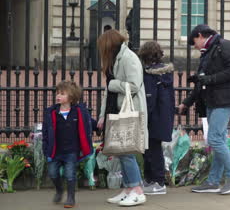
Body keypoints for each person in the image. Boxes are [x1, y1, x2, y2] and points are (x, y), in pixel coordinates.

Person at [178, 24, 230, 195]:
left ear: (200, 35)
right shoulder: (208, 52)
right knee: (218, 140)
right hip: (213, 101)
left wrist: (209, 78)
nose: (195, 47)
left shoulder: (225, 45)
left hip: (225, 100)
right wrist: (187, 102)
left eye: (194, 42)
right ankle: (213, 181)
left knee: (215, 139)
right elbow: (202, 82)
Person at [96, 29, 148, 206]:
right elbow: (108, 92)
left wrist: (113, 84)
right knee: (121, 151)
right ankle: (128, 189)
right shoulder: (115, 59)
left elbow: (134, 85)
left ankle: (137, 190)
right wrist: (103, 115)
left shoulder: (128, 58)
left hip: (129, 109)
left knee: (126, 152)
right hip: (117, 109)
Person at [42, 81, 93, 208]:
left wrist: (98, 125)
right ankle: (59, 190)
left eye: (62, 94)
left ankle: (70, 197)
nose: (58, 96)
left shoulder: (79, 112)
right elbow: (45, 132)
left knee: (70, 174)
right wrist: (46, 149)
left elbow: (88, 122)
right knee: (53, 173)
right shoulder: (51, 113)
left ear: (71, 97)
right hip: (55, 150)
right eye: (57, 93)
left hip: (71, 151)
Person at [139, 41, 175, 195]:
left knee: (152, 150)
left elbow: (149, 99)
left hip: (153, 116)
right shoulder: (165, 73)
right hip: (162, 115)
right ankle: (151, 179)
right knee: (152, 148)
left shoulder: (149, 74)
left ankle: (158, 181)